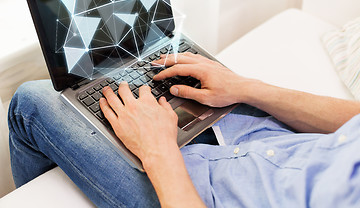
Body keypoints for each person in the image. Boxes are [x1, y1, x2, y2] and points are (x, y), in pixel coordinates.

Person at [8, 52, 360, 207]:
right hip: (270, 141)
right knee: (164, 67)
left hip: (191, 195)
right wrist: (246, 87)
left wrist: (158, 150)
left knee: (31, 102)